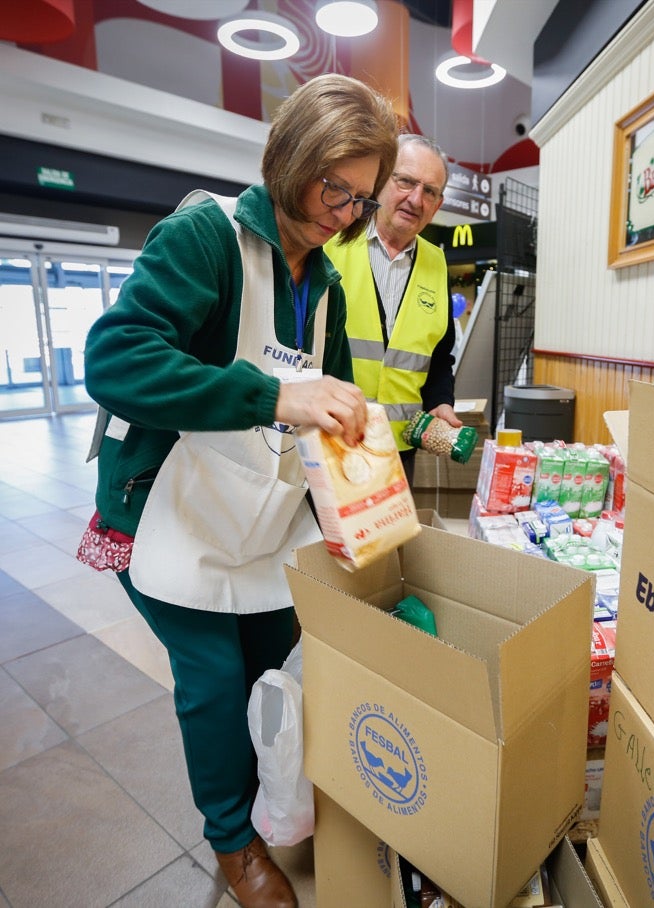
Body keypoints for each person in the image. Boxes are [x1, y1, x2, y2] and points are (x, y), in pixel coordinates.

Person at [77, 74, 399, 908]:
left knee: (270, 663)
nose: (347, 213)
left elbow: (335, 405)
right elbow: (114, 361)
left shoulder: (321, 282)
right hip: (169, 510)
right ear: (291, 155)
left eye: (363, 199)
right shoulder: (205, 237)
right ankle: (232, 840)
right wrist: (271, 395)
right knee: (214, 677)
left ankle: (264, 799)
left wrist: (361, 503)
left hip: (261, 505)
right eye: (337, 187)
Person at [325, 132, 461, 487]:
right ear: (382, 180)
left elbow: (440, 355)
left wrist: (441, 401)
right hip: (330, 440)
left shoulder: (437, 263)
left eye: (429, 191)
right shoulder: (332, 241)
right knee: (325, 541)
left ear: (438, 203)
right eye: (406, 181)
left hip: (399, 452)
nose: (415, 199)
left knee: (387, 539)